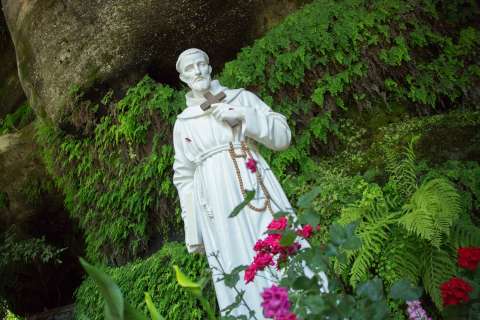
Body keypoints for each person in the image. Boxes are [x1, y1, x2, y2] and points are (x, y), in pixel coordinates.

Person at [172, 48, 295, 318]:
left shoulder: (241, 98)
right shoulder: (183, 123)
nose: (198, 71)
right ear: (183, 78)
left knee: (279, 247)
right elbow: (184, 176)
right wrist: (194, 231)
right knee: (236, 265)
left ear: (210, 67)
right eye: (190, 69)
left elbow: (283, 136)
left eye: (201, 64)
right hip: (216, 205)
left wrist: (242, 116)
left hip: (255, 186)